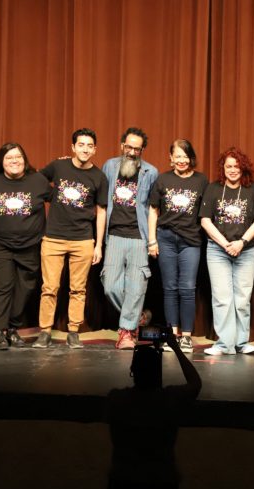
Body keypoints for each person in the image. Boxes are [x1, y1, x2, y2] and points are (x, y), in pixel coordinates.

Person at [34, 128, 107, 349]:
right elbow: (37, 180)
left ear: (95, 149)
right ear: (73, 147)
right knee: (49, 287)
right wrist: (51, 195)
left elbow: (101, 211)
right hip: (53, 237)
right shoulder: (59, 166)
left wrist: (98, 244)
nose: (85, 149)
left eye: (89, 146)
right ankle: (45, 332)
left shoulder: (99, 176)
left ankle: (73, 331)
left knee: (78, 289)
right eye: (81, 145)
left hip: (82, 239)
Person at [107, 331, 202, 489]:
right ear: (158, 372)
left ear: (132, 370)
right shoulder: (169, 399)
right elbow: (195, 383)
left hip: (123, 480)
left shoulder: (117, 399)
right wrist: (175, 348)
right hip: (161, 481)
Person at [0, 143, 50, 350]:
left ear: (25, 159)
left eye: (18, 156)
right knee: (2, 287)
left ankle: (12, 328)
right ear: (1, 161)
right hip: (0, 244)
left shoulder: (38, 181)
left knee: (24, 288)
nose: (14, 161)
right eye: (9, 157)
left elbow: (60, 202)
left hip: (30, 245)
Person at [199, 147, 254, 355]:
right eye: (229, 166)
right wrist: (225, 244)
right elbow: (205, 220)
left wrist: (241, 243)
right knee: (222, 298)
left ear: (243, 168)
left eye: (237, 166)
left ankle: (241, 343)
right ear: (223, 168)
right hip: (217, 250)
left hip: (246, 250)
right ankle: (224, 344)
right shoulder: (213, 189)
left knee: (242, 298)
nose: (233, 170)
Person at [148, 139, 208, 353]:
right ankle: (172, 335)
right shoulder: (163, 179)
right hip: (165, 238)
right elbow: (153, 210)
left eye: (185, 156)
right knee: (170, 288)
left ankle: (187, 336)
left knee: (188, 288)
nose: (182, 160)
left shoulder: (201, 180)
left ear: (191, 158)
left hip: (190, 240)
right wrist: (152, 240)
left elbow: (206, 212)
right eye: (178, 156)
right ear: (171, 158)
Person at [101, 127, 159, 350]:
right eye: (129, 147)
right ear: (122, 145)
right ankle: (138, 316)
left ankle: (126, 333)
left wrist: (152, 240)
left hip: (138, 236)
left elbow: (153, 209)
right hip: (114, 234)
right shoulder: (109, 166)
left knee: (136, 286)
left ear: (142, 150)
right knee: (110, 285)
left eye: (137, 149)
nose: (132, 152)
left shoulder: (150, 172)